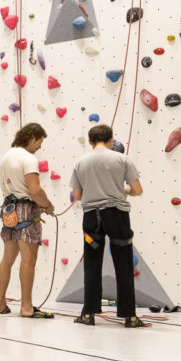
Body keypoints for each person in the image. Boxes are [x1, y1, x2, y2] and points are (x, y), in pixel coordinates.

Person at [69, 125, 146, 328]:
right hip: (116, 215)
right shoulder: (122, 159)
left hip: (91, 218)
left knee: (91, 264)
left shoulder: (80, 162)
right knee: (124, 264)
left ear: (90, 141)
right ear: (111, 140)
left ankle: (88, 313)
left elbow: (77, 196)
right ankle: (130, 316)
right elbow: (137, 190)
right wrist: (123, 189)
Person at [0, 123, 56, 318]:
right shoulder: (29, 159)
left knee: (7, 259)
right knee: (28, 260)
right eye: (39, 141)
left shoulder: (6, 157)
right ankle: (27, 307)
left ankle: (1, 304)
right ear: (31, 137)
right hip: (26, 210)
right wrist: (47, 204)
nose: (39, 146)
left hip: (8, 210)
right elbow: (35, 190)